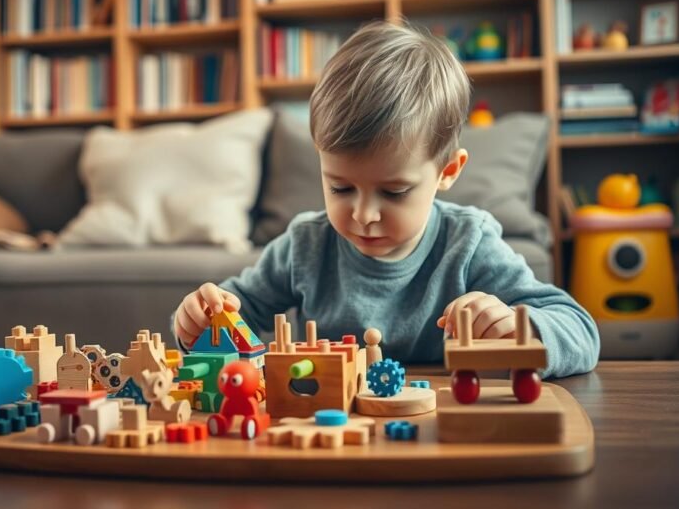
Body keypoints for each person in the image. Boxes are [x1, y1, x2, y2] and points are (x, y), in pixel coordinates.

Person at [173, 21, 599, 378]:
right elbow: (236, 314)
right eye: (340, 187)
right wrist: (198, 322)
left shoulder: (468, 242)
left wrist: (525, 330)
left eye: (393, 192)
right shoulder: (305, 244)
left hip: (439, 439)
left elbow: (581, 330)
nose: (363, 215)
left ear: (447, 171)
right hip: (331, 434)